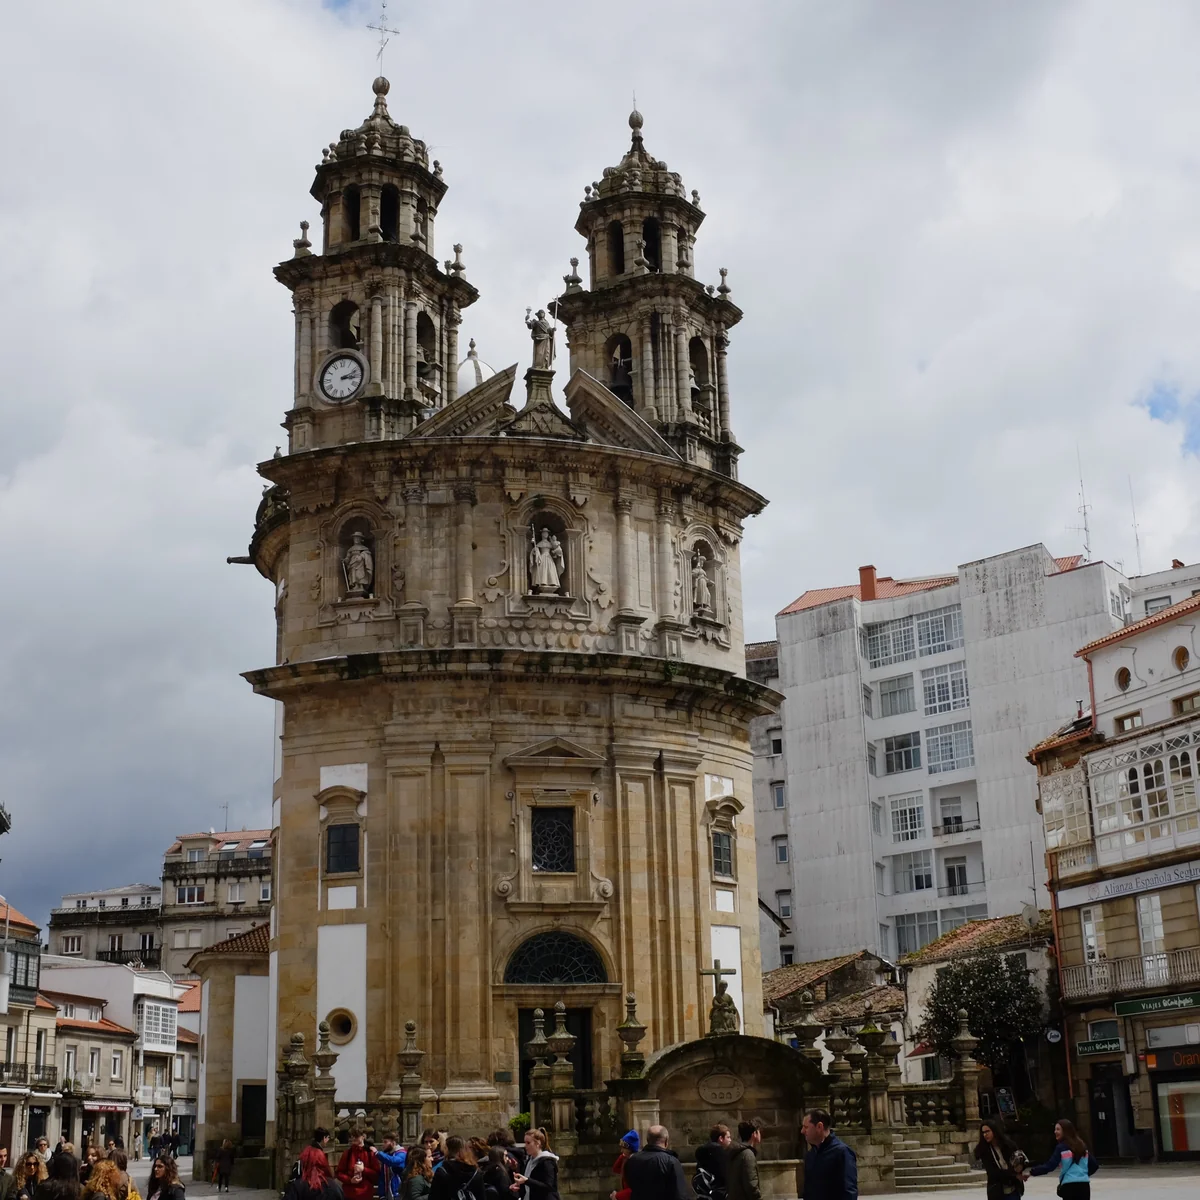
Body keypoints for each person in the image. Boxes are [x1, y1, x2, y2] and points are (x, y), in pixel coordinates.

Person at [1028, 1120, 1097, 1200]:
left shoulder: (1061, 1148)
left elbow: (1050, 1166)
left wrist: (1032, 1172)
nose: (1055, 1132)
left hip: (1069, 1186)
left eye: (1058, 1129)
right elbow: (1094, 1165)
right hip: (1084, 1185)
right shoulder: (1082, 1146)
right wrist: (1082, 1174)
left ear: (1065, 1131)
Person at [801, 1110, 856, 1200]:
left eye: (806, 1127)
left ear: (819, 1126)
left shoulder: (842, 1152)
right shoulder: (810, 1155)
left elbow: (849, 1191)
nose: (802, 1131)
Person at [621, 1127, 686, 1200]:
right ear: (666, 1141)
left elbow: (629, 1186)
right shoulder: (671, 1162)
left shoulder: (631, 1160)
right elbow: (679, 1194)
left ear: (647, 1140)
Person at [975, 1120, 1025, 1200]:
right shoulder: (984, 1151)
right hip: (997, 1191)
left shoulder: (1009, 1145)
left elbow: (1020, 1160)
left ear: (994, 1131)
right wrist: (1014, 1175)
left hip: (1013, 1189)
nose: (985, 1135)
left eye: (987, 1131)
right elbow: (993, 1173)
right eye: (983, 1132)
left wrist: (1021, 1169)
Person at [508, 1131, 558, 1200]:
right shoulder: (529, 1161)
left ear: (538, 1143)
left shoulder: (547, 1162)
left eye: (528, 1143)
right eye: (525, 1142)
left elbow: (549, 1187)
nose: (525, 1146)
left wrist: (527, 1181)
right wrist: (518, 1185)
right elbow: (528, 1183)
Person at [336, 1130, 378, 1200]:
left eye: (356, 1136)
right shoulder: (347, 1153)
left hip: (365, 1193)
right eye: (351, 1136)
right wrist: (350, 1180)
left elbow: (376, 1175)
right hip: (349, 1193)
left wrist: (364, 1170)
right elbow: (339, 1173)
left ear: (363, 1137)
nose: (353, 1138)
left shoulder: (370, 1153)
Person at [725, 1122, 761, 1200]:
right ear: (754, 1134)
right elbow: (751, 1183)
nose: (760, 1135)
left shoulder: (736, 1151)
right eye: (759, 1132)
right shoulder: (748, 1154)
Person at [693, 1126, 729, 1200]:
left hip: (704, 1195)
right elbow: (725, 1177)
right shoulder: (720, 1154)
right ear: (721, 1138)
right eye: (728, 1137)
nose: (730, 1140)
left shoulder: (703, 1152)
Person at [609, 1131, 639, 1200]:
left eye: (623, 1148)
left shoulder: (636, 1162)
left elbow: (634, 1188)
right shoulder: (625, 1158)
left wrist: (617, 1196)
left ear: (630, 1149)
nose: (621, 1150)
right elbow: (615, 1169)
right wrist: (623, 1156)